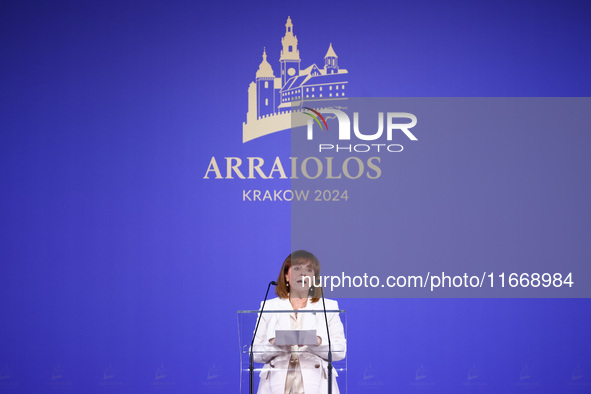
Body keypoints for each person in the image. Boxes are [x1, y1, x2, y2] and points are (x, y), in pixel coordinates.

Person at [253, 250, 346, 394]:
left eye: (309, 270)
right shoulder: (269, 306)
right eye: (297, 268)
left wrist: (317, 341)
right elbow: (255, 353)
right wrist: (274, 343)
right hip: (276, 384)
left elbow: (340, 351)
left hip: (318, 384)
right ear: (286, 276)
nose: (303, 274)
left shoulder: (329, 306)